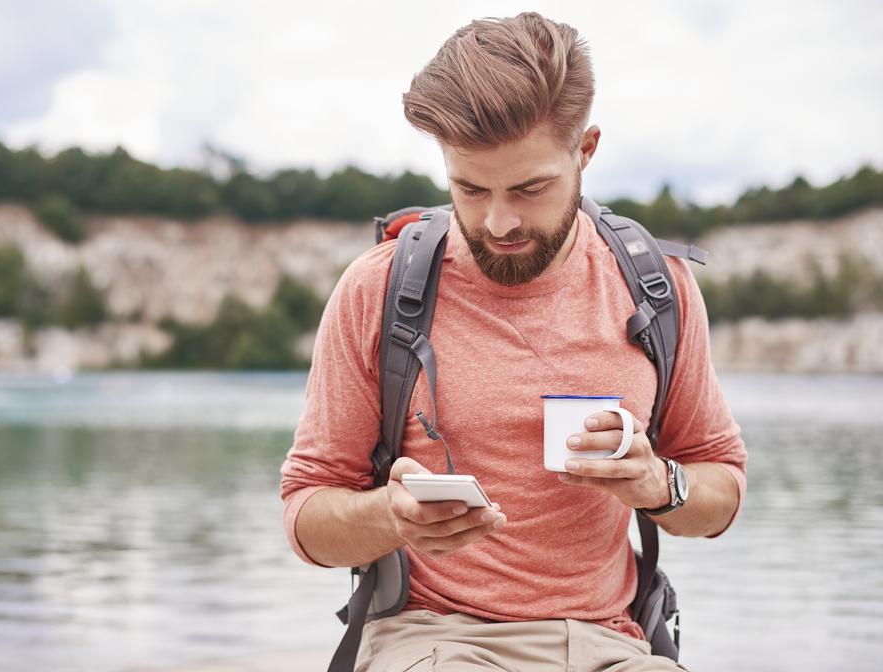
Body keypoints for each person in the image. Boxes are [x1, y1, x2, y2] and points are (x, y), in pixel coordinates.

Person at [280, 12, 747, 672]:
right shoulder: (379, 290)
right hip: (434, 638)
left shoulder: (656, 288)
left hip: (616, 644)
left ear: (585, 150)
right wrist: (392, 516)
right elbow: (305, 514)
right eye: (469, 188)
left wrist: (656, 483)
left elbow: (722, 487)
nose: (497, 222)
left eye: (529, 189)